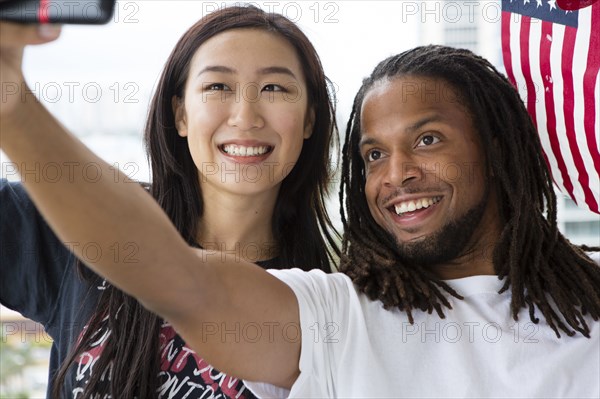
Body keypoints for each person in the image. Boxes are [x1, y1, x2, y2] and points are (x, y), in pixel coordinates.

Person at [1, 18, 599, 396]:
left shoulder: (327, 285)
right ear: (178, 113)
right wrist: (11, 101)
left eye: (427, 139)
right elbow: (176, 279)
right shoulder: (338, 313)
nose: (397, 175)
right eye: (371, 155)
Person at [0, 5, 340, 399]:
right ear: (180, 114)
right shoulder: (82, 221)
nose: (246, 117)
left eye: (274, 88)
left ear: (310, 119)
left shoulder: (326, 307)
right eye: (218, 87)